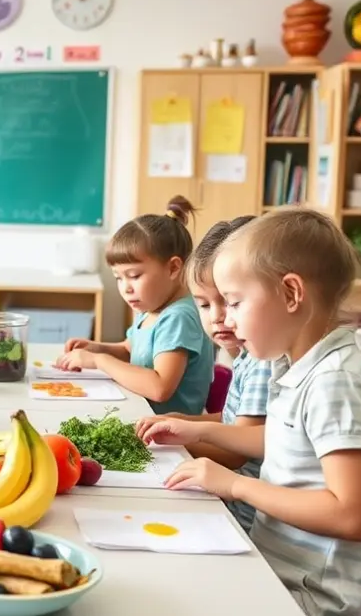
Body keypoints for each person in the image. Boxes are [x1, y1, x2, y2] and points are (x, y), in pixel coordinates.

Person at [142, 208, 361, 616]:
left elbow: (353, 516)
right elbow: (278, 440)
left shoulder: (336, 382)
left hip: (319, 598)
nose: (226, 318)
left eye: (236, 302)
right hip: (279, 569)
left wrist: (235, 485)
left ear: (291, 294)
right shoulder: (296, 367)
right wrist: (197, 432)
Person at [134, 215, 267, 532]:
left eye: (231, 302)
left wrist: (166, 443)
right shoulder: (249, 355)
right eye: (205, 305)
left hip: (242, 517)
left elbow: (236, 450)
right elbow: (234, 423)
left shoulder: (264, 362)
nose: (220, 317)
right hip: (233, 501)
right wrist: (181, 423)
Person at [55, 196, 214, 415]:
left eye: (134, 275)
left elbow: (159, 388)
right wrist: (97, 348)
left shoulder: (178, 317)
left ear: (173, 268)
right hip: (140, 414)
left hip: (169, 435)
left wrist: (99, 360)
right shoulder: (150, 308)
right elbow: (132, 349)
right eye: (118, 278)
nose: (125, 288)